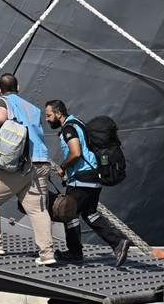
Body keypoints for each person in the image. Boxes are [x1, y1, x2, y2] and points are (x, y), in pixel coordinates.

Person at [0, 73, 57, 265]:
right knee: (38, 211)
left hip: (19, 164)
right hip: (41, 163)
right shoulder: (34, 109)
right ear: (18, 88)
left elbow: (1, 117)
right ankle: (47, 254)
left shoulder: (3, 101)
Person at [44, 100, 131, 266]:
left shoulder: (69, 129)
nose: (47, 119)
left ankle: (76, 252)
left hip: (81, 180)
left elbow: (75, 152)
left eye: (48, 115)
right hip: (93, 178)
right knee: (90, 213)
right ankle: (117, 244)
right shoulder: (78, 123)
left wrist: (63, 167)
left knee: (66, 212)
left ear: (58, 114)